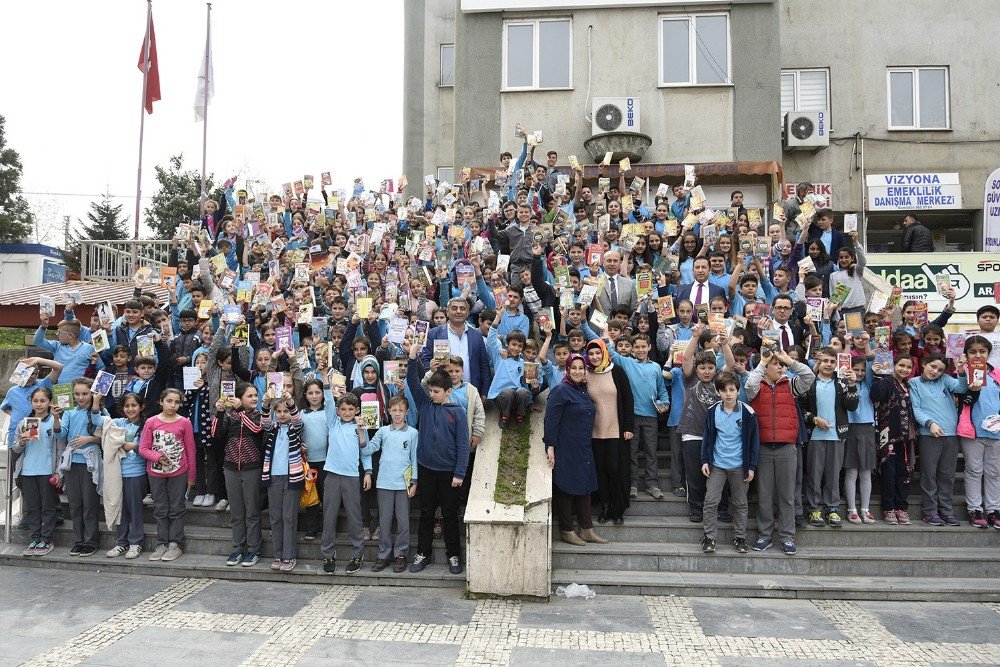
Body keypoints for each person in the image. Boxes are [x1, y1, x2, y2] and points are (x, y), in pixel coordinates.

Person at [406, 342, 470, 575]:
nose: (432, 395)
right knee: (426, 513)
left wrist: (459, 473)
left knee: (450, 514)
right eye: (431, 391)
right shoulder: (424, 404)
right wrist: (413, 358)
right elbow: (413, 382)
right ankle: (423, 553)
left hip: (448, 473)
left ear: (448, 391)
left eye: (436, 392)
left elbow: (463, 445)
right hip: (426, 469)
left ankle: (453, 555)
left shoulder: (458, 412)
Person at [745, 347, 815, 555]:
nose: (780, 367)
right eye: (776, 364)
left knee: (787, 495)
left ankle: (787, 537)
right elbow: (748, 385)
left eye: (781, 364)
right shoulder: (757, 384)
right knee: (765, 495)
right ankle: (764, 535)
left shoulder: (790, 385)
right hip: (764, 447)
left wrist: (789, 361)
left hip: (786, 446)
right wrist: (763, 362)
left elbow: (809, 376)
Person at [544, 354, 607, 545]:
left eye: (581, 368)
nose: (578, 371)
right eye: (574, 368)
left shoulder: (583, 390)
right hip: (566, 446)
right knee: (566, 486)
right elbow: (551, 420)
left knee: (585, 485)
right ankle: (567, 530)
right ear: (568, 370)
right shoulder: (561, 390)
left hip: (584, 446)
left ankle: (587, 529)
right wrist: (550, 447)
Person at [700, 371, 759, 554]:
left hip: (739, 466)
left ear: (737, 390)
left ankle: (739, 538)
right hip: (717, 464)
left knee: (740, 503)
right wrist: (704, 460)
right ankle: (709, 538)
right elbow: (707, 438)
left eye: (732, 389)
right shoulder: (712, 411)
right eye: (724, 390)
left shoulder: (748, 413)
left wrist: (751, 466)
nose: (728, 394)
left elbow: (754, 441)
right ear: (718, 392)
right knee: (711, 501)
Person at [799, 347, 859, 528]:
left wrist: (852, 385)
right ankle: (814, 509)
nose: (829, 365)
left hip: (837, 435)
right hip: (815, 436)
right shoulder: (810, 383)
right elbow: (801, 409)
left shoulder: (841, 383)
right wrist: (815, 420)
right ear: (819, 361)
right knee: (814, 475)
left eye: (832, 362)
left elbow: (851, 406)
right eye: (825, 361)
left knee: (833, 475)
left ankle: (832, 508)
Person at [138, 388, 196, 561]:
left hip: (179, 470)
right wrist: (157, 457)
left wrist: (191, 477)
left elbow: (191, 451)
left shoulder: (184, 422)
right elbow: (143, 448)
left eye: (177, 402)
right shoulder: (151, 422)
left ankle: (176, 543)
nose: (173, 405)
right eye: (169, 401)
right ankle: (162, 542)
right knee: (160, 508)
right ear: (161, 401)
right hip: (155, 472)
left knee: (177, 508)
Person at [364, 395, 419, 573]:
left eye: (400, 410)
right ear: (388, 411)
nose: (397, 414)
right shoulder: (382, 432)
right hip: (384, 483)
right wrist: (361, 431)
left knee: (403, 522)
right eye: (394, 410)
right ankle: (383, 554)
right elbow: (368, 449)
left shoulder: (413, 433)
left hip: (403, 484)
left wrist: (414, 482)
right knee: (385, 521)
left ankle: (401, 554)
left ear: (406, 412)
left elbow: (414, 459)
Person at [319, 390, 371, 574]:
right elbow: (328, 402)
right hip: (332, 475)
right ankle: (327, 555)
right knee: (329, 517)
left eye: (350, 409)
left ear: (357, 410)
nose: (347, 412)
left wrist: (368, 472)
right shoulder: (333, 424)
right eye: (343, 409)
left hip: (351, 477)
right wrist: (325, 378)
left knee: (355, 517)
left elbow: (366, 453)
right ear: (338, 411)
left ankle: (357, 554)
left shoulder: (360, 427)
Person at [214, 382, 265, 567]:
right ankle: (237, 548)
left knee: (252, 511)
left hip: (252, 468)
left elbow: (257, 429)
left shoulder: (259, 415)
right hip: (230, 468)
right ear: (240, 397)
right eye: (249, 396)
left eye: (255, 396)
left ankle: (253, 549)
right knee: (236, 512)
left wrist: (242, 411)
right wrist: (220, 412)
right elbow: (215, 433)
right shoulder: (230, 416)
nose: (254, 399)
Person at [584, 339, 634, 526]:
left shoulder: (617, 371)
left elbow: (628, 400)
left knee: (615, 469)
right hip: (595, 431)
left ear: (604, 352)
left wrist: (629, 426)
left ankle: (617, 508)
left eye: (598, 353)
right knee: (601, 470)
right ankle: (605, 506)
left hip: (616, 430)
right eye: (591, 354)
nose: (595, 357)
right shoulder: (586, 374)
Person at [909, 353, 963, 526]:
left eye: (940, 370)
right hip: (929, 434)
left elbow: (961, 389)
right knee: (929, 474)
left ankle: (946, 510)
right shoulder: (914, 383)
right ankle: (930, 511)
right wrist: (929, 423)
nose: (935, 372)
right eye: (933, 367)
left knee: (947, 475)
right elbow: (915, 409)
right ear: (925, 363)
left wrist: (961, 371)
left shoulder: (945, 380)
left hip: (951, 434)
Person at [11, 386, 63, 557]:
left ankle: (46, 539)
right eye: (35, 401)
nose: (39, 404)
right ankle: (34, 538)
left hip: (47, 471)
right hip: (27, 472)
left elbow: (59, 442)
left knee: (48, 507)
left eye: (43, 400)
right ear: (31, 402)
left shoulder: (53, 421)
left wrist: (58, 471)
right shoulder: (24, 423)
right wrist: (22, 441)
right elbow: (16, 450)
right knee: (33, 508)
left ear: (49, 402)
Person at [956, 335, 1000, 528]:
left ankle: (994, 509)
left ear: (989, 354)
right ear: (966, 354)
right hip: (972, 431)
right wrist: (971, 390)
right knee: (974, 470)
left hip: (996, 431)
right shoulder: (962, 375)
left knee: (994, 472)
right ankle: (975, 509)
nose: (977, 355)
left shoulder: (996, 375)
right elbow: (962, 399)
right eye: (972, 352)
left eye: (982, 352)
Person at [261, 390, 304, 572]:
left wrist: (290, 402)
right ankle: (277, 554)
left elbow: (298, 420)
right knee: (276, 517)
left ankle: (289, 555)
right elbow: (264, 422)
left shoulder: (294, 428)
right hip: (273, 477)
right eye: (278, 412)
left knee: (289, 517)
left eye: (285, 411)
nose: (282, 415)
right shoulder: (273, 428)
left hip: (291, 477)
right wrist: (265, 404)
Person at [871, 354, 917, 525]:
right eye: (901, 365)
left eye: (908, 367)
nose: (904, 369)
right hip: (888, 436)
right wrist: (876, 376)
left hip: (905, 438)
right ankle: (889, 508)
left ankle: (901, 507)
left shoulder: (907, 385)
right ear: (893, 365)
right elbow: (876, 396)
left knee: (904, 473)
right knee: (889, 473)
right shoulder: (886, 381)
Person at [99, 393, 146, 559]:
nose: (130, 409)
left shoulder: (146, 426)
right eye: (127, 406)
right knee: (120, 509)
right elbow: (99, 421)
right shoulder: (119, 423)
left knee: (135, 510)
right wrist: (97, 401)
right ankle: (121, 543)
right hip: (118, 474)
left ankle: (136, 543)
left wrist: (135, 446)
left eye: (134, 405)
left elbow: (149, 448)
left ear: (141, 407)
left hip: (136, 474)